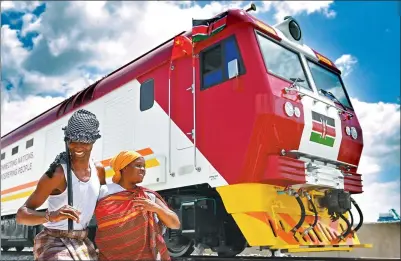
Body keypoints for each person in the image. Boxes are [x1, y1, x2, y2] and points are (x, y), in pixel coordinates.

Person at [16, 109, 106, 260]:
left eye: (84, 141)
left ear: (93, 140)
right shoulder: (57, 174)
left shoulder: (99, 170)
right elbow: (21, 215)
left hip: (82, 241)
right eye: (72, 140)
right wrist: (51, 216)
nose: (77, 146)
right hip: (54, 241)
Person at [94, 150, 181, 261]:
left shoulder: (148, 196)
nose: (143, 170)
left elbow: (175, 224)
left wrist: (156, 208)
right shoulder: (103, 193)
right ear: (124, 168)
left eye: (144, 167)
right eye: (138, 166)